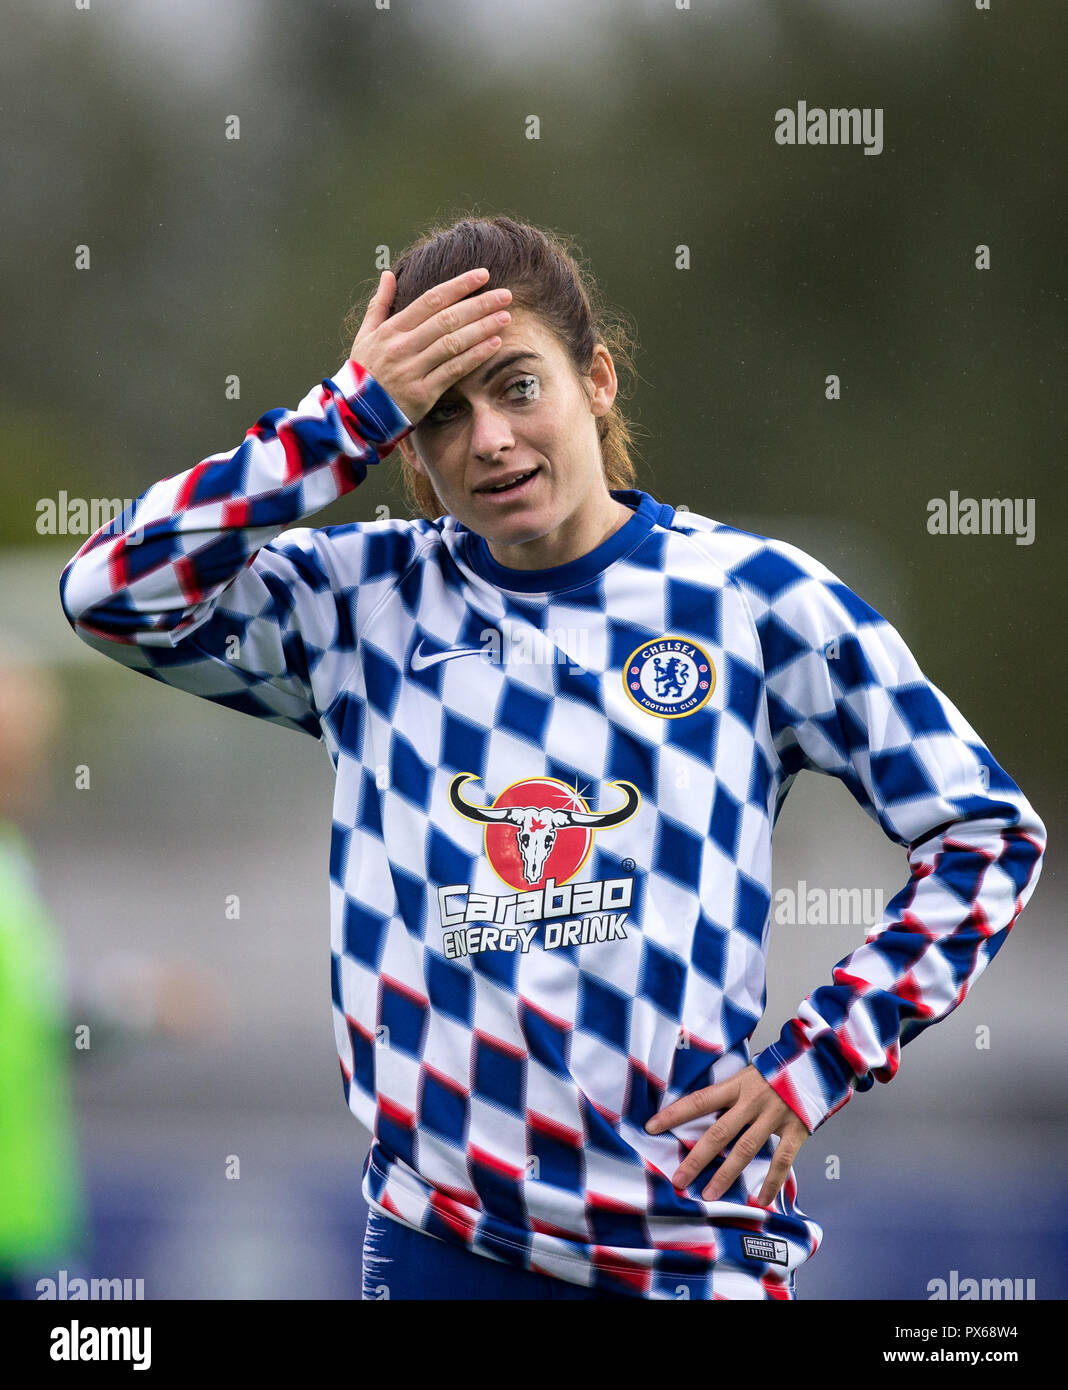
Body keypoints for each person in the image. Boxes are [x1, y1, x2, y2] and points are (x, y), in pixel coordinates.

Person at [58, 214, 1046, 1301]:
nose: (487, 439)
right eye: (440, 413)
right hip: (445, 1250)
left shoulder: (756, 601)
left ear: (599, 381)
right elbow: (112, 594)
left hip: (684, 1255)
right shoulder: (362, 604)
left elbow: (987, 834)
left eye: (518, 388)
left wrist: (814, 1063)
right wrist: (345, 415)